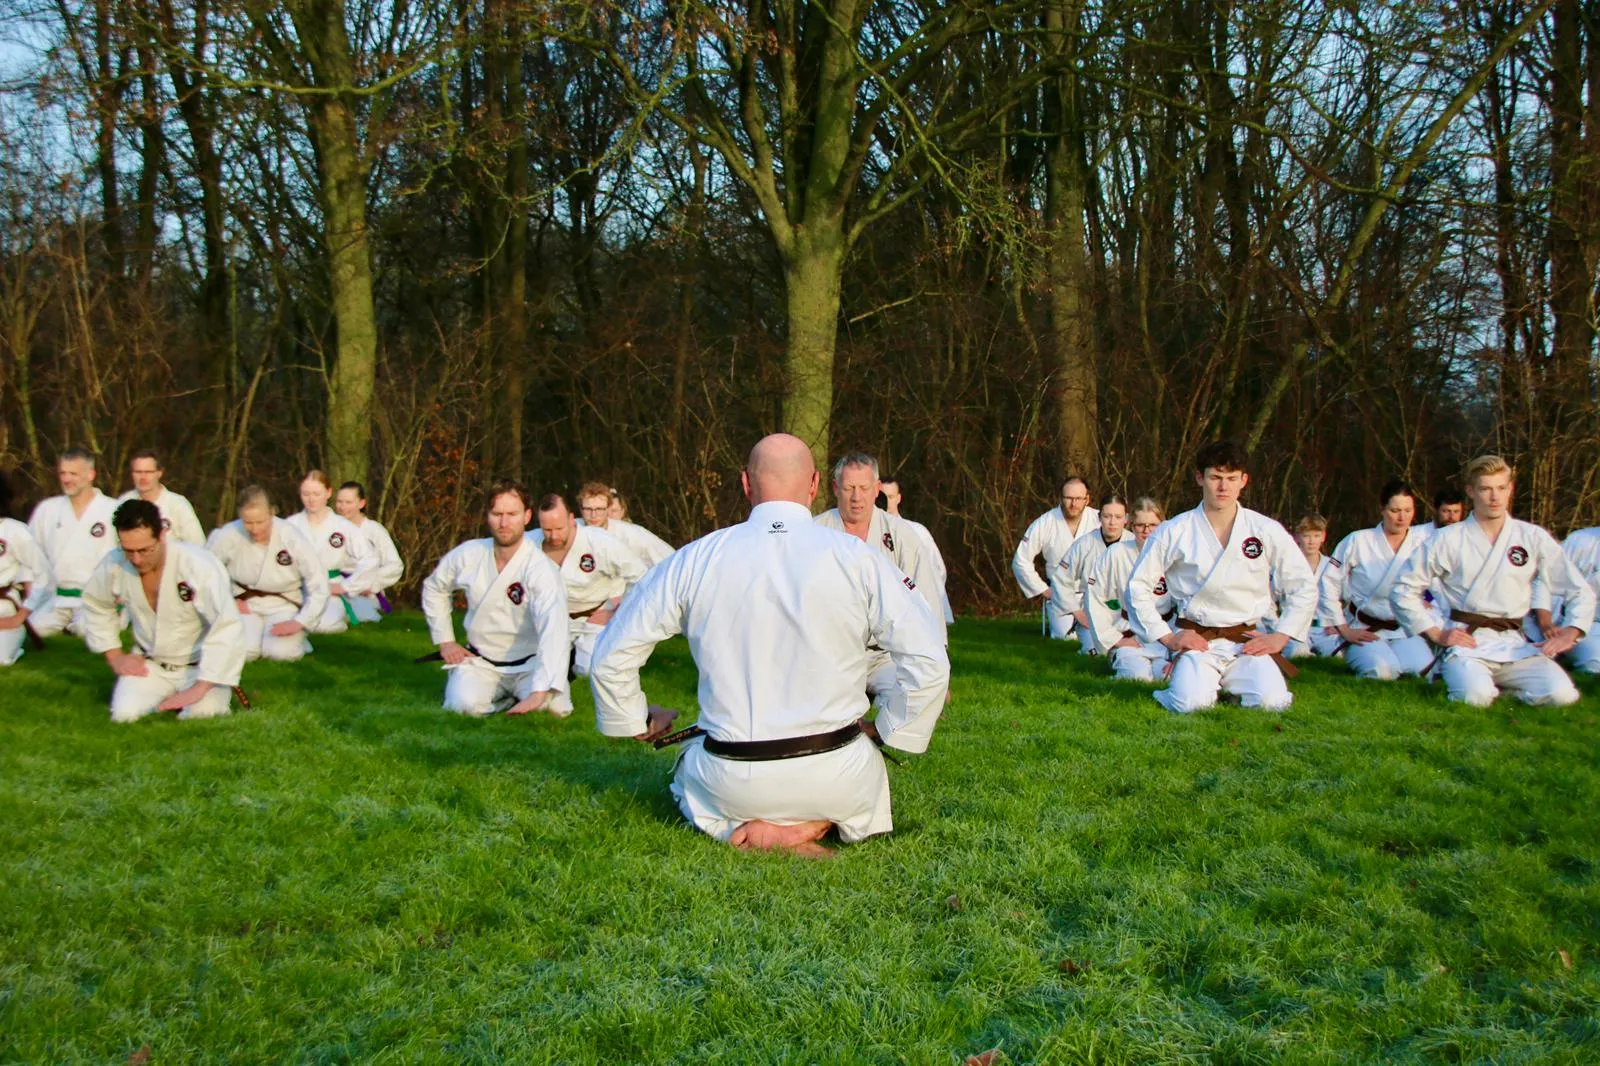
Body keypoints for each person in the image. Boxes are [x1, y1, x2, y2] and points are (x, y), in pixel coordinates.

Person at [589, 433, 950, 857]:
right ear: (816, 485)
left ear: (745, 484)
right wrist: (891, 728)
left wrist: (633, 717)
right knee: (855, 773)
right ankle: (813, 821)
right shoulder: (858, 558)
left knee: (687, 768)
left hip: (729, 776)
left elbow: (610, 656)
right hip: (835, 772)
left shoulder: (696, 558)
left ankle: (750, 826)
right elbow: (930, 659)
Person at [1125, 441, 1316, 713]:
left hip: (1248, 639)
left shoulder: (1265, 529)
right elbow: (1137, 588)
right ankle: (1208, 685)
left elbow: (1303, 586)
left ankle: (1229, 687)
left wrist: (1281, 637)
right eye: (1215, 477)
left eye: (1231, 478)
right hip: (1198, 639)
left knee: (1272, 704)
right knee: (1189, 705)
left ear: (1244, 481)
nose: (1223, 487)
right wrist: (1168, 638)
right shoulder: (1175, 530)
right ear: (1200, 477)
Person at [1390, 455, 1593, 707]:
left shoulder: (1531, 537)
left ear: (1510, 489)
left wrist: (1572, 631)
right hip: (1467, 641)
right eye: (1485, 489)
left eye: (1501, 488)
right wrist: (1436, 633)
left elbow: (1579, 590)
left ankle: (1500, 692)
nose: (1494, 497)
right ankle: (1460, 676)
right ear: (1471, 491)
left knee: (1562, 695)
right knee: (1475, 698)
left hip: (1514, 643)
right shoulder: (1448, 539)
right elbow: (1402, 589)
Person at [80, 499, 245, 722]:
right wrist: (115, 656)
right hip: (151, 664)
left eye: (145, 550)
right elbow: (96, 603)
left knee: (201, 716)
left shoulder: (197, 565)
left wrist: (201, 687)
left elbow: (227, 624)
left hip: (200, 667)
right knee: (124, 715)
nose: (136, 559)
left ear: (162, 535)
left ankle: (201, 696)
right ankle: (165, 697)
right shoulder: (115, 563)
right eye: (129, 550)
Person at [422, 481, 571, 717]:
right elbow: (434, 588)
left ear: (527, 516)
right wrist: (446, 641)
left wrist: (540, 691)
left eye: (512, 514)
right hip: (482, 662)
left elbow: (554, 629)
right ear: (487, 516)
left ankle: (518, 698)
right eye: (497, 514)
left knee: (553, 709)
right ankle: (504, 702)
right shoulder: (469, 554)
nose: (504, 523)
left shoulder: (541, 569)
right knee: (462, 707)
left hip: (530, 665)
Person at [527, 493, 647, 713]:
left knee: (592, 669)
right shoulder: (529, 544)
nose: (553, 536)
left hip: (595, 615)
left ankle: (572, 663)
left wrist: (616, 611)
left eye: (559, 528)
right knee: (548, 696)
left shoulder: (598, 541)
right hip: (551, 619)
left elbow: (639, 575)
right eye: (547, 530)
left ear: (572, 519)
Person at [1319, 480, 1438, 680]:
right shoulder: (1358, 541)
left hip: (1405, 629)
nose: (1402, 517)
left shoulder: (1423, 544)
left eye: (1408, 510)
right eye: (1395, 510)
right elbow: (1328, 584)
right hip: (1363, 628)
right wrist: (1344, 629)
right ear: (1382, 509)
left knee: (1424, 672)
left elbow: (1441, 589)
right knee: (1382, 671)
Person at [816, 454, 947, 634]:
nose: (857, 497)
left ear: (877, 489)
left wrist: (937, 651)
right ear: (835, 488)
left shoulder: (901, 535)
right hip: (833, 646)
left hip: (889, 652)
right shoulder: (815, 532)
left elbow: (926, 598)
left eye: (864, 488)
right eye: (848, 488)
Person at [206, 486, 330, 662]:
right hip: (244, 602)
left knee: (280, 653)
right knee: (244, 652)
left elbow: (318, 583)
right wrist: (227, 600)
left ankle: (297, 639)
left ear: (272, 512)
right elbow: (206, 573)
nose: (255, 529)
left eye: (261, 522)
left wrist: (300, 622)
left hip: (283, 604)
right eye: (248, 522)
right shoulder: (228, 534)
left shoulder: (291, 536)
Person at [27, 447, 119, 638]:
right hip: (56, 598)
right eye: (63, 473)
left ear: (90, 474)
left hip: (98, 598)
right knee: (33, 629)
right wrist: (31, 594)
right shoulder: (47, 509)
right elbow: (30, 556)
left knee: (87, 631)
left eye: (73, 474)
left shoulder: (113, 510)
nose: (66, 479)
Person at [1085, 496, 1170, 682]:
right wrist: (1115, 639)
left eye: (1153, 525)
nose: (1147, 531)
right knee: (1137, 678)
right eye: (1140, 525)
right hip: (1130, 634)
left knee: (1166, 677)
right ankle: (1120, 659)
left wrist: (1179, 644)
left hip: (1166, 636)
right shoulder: (1116, 554)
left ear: (1163, 525)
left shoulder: (1174, 556)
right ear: (1131, 526)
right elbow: (1096, 598)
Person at [1011, 477, 1100, 640]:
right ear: (1060, 498)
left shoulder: (1099, 520)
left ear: (1087, 499)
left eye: (1079, 498)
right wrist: (1044, 590)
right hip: (1060, 594)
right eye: (1069, 498)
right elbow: (1020, 560)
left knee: (1101, 635)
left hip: (1095, 593)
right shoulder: (1045, 523)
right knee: (1067, 638)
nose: (1073, 504)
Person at [287, 470, 374, 633]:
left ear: (328, 493)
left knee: (324, 625)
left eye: (316, 494)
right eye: (306, 494)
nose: (311, 499)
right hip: (297, 587)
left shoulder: (343, 526)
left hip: (330, 587)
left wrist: (346, 587)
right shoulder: (289, 525)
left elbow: (369, 560)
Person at [1055, 494, 1133, 654]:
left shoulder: (1134, 544)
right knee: (1097, 653)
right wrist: (1077, 612)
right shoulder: (1084, 544)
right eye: (1107, 516)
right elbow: (1061, 578)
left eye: (1118, 517)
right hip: (1093, 615)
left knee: (1129, 650)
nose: (1112, 522)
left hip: (1128, 615)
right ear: (1099, 517)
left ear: (1126, 518)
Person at [878, 473, 954, 624]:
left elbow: (937, 570)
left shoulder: (917, 532)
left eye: (891, 497)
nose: (886, 502)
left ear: (899, 498)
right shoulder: (866, 531)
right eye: (883, 496)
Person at [0, 470, 53, 665]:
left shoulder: (14, 531)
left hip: (5, 611)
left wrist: (22, 614)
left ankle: (15, 641)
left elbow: (44, 575)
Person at [333, 481, 404, 621]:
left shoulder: (375, 531)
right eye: (339, 502)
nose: (343, 507)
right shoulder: (331, 530)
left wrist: (369, 583)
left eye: (348, 502)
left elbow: (395, 565)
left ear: (361, 503)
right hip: (336, 586)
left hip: (365, 592)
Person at [577, 480, 675, 569]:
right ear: (581, 509)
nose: (593, 515)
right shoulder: (571, 529)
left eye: (599, 509)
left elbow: (670, 559)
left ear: (607, 509)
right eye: (588, 509)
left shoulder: (632, 534)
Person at [116, 450, 205, 544]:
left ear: (159, 473)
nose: (143, 477)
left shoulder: (177, 504)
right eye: (138, 472)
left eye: (148, 472)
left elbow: (197, 544)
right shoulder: (123, 502)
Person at [1282, 514, 1340, 658]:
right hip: (1296, 627)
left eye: (1316, 535)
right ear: (1297, 538)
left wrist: (1338, 624)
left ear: (1323, 537)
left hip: (1325, 628)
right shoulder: (1287, 565)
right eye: (1306, 536)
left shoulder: (1332, 566)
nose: (1311, 541)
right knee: (1297, 653)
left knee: (1337, 654)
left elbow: (1348, 597)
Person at [1546, 525, 1600, 674]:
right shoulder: (1580, 542)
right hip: (1586, 626)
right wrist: (1550, 625)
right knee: (1595, 663)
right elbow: (1549, 586)